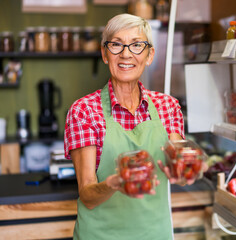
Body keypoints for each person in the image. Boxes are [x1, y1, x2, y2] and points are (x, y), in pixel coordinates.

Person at [64, 13, 196, 240]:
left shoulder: (168, 107)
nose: (126, 54)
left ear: (149, 55)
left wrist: (185, 169)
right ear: (105, 54)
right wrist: (114, 183)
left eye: (137, 45)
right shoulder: (84, 111)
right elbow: (87, 193)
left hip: (155, 234)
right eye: (116, 45)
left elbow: (180, 168)